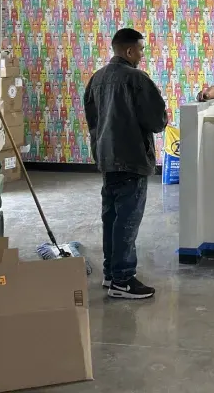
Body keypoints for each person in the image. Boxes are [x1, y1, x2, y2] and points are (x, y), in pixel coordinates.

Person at [83, 27, 167, 300]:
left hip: (106, 159)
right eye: (141, 49)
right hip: (131, 158)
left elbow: (93, 121)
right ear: (129, 50)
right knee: (127, 221)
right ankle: (123, 278)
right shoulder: (136, 79)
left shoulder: (96, 79)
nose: (142, 55)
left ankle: (111, 274)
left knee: (112, 217)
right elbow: (157, 122)